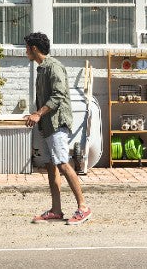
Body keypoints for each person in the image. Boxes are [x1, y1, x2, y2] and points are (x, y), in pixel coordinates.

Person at [23, 32, 92, 225]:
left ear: (34, 48)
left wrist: (38, 114)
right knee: (51, 166)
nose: (26, 51)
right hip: (47, 124)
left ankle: (83, 207)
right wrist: (36, 114)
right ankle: (56, 210)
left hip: (57, 123)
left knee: (62, 163)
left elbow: (59, 95)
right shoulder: (42, 69)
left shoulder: (54, 67)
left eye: (27, 47)